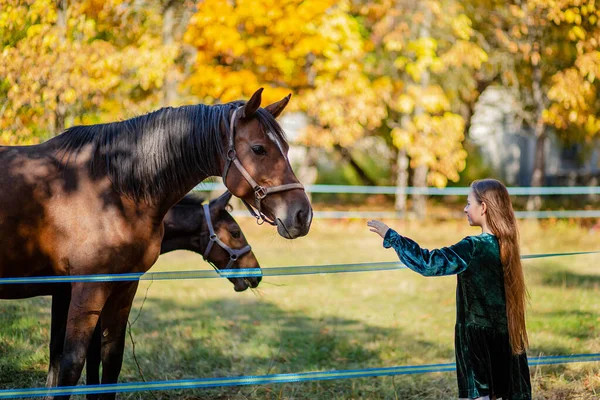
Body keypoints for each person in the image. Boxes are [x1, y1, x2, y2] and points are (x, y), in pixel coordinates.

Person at [367, 178, 531, 400]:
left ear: (483, 207)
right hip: (507, 341)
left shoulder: (473, 247)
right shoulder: (507, 245)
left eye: (468, 203)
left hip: (478, 348)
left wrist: (391, 236)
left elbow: (428, 263)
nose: (464, 209)